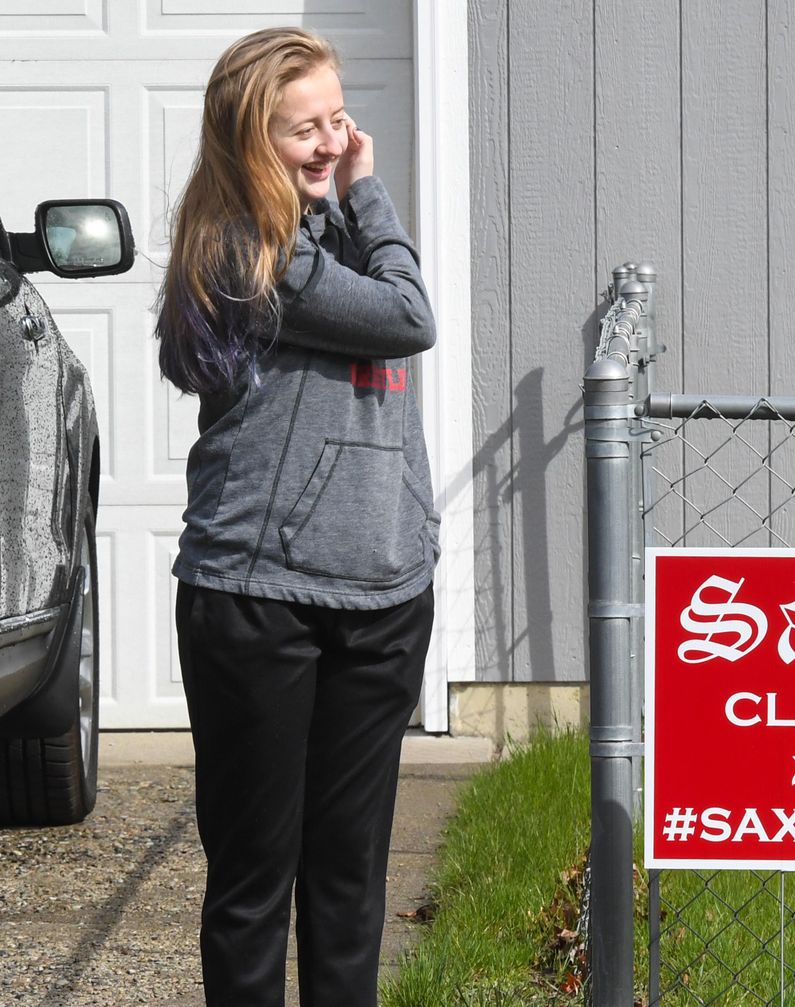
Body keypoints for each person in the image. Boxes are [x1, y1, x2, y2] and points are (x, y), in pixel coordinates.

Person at [155, 26, 439, 1007]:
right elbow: (410, 315)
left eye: (335, 119)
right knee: (253, 884)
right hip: (258, 597)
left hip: (383, 589)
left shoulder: (327, 232)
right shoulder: (251, 250)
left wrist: (349, 206)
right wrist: (368, 191)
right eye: (302, 131)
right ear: (247, 142)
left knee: (350, 885)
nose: (331, 142)